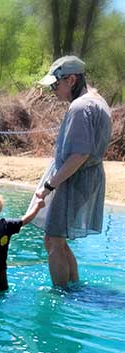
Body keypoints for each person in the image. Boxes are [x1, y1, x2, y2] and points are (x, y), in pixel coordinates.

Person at [34, 55, 112, 287]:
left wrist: (50, 185)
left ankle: (61, 296)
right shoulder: (97, 100)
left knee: (53, 239)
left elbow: (80, 154)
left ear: (70, 79)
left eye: (55, 85)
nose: (53, 91)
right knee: (57, 239)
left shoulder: (81, 106)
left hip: (74, 178)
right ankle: (74, 288)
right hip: (86, 178)